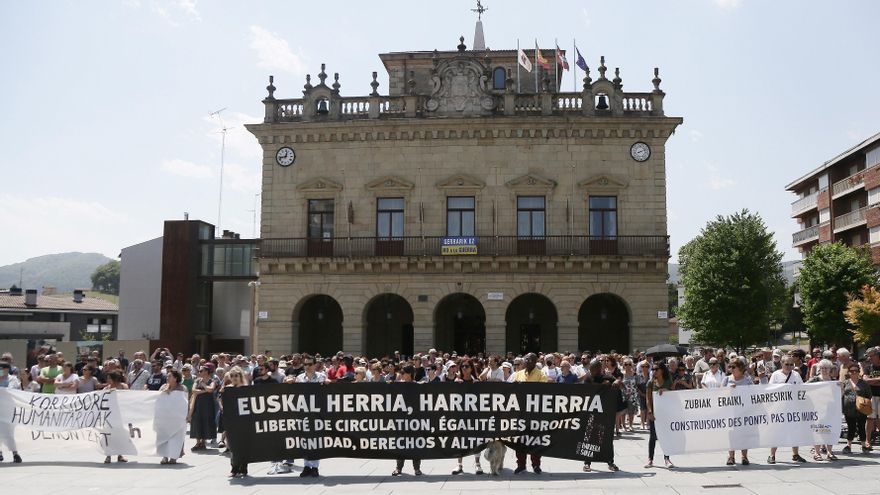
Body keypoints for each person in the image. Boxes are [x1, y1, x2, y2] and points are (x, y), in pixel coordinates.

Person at [582, 359, 622, 473]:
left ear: (599, 369)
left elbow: (621, 385)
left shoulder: (608, 378)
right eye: (590, 369)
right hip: (592, 414)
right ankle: (587, 463)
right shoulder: (588, 379)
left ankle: (610, 462)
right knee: (589, 438)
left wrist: (617, 382)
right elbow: (586, 392)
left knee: (607, 439)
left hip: (606, 414)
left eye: (593, 369)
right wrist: (602, 386)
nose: (591, 371)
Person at [767, 355, 806, 464]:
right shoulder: (775, 375)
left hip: (793, 408)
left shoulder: (796, 375)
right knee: (776, 432)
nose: (789, 366)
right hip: (779, 408)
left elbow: (801, 389)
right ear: (782, 364)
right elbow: (770, 390)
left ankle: (795, 454)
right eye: (786, 364)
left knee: (795, 431)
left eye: (791, 364)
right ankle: (772, 455)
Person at [296, 355, 328, 477]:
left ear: (315, 365)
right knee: (304, 439)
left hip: (317, 413)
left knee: (315, 439)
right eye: (305, 364)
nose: (307, 367)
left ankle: (314, 467)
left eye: (310, 364)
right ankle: (306, 466)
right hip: (303, 413)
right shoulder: (299, 378)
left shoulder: (321, 377)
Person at [452, 358, 483, 475]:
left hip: (474, 416)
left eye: (467, 366)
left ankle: (477, 464)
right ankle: (459, 464)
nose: (464, 368)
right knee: (460, 440)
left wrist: (479, 386)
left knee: (475, 440)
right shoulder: (457, 381)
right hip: (460, 416)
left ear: (471, 368)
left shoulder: (477, 381)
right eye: (462, 366)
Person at [392, 365, 422, 476]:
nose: (401, 374)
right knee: (401, 444)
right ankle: (398, 468)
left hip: (415, 421)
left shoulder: (417, 386)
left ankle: (417, 469)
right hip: (401, 420)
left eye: (403, 372)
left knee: (416, 444)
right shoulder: (399, 385)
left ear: (409, 374)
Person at [721, 359, 752, 465]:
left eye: (733, 367)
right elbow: (719, 394)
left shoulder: (747, 380)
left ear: (740, 368)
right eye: (730, 367)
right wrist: (728, 390)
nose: (731, 369)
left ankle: (744, 456)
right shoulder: (726, 379)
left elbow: (753, 394)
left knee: (744, 434)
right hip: (730, 412)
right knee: (731, 434)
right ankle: (731, 456)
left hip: (744, 411)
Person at [645, 361, 674, 469]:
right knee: (652, 436)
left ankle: (667, 459)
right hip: (654, 414)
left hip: (666, 413)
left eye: (656, 369)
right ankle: (650, 459)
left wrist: (666, 390)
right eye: (653, 369)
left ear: (662, 370)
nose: (654, 371)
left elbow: (673, 394)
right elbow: (648, 399)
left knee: (666, 436)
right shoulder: (650, 382)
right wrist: (649, 412)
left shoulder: (668, 381)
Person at [807, 359, 837, 460]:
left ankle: (829, 452)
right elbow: (804, 387)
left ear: (830, 369)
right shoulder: (815, 380)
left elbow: (837, 395)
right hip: (817, 409)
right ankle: (817, 453)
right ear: (819, 369)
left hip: (830, 410)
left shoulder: (833, 382)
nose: (824, 370)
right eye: (822, 368)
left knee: (830, 430)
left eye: (826, 368)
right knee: (818, 430)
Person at [157, 369, 188, 465]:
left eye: (169, 376)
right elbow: (157, 398)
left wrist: (188, 415)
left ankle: (174, 457)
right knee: (164, 436)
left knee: (176, 437)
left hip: (177, 418)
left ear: (175, 378)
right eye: (167, 376)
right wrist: (164, 392)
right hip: (165, 417)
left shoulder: (182, 388)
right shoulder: (163, 386)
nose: (167, 378)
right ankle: (164, 456)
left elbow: (185, 402)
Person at [842, 363, 873, 454]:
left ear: (859, 372)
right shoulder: (845, 383)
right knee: (851, 427)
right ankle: (848, 445)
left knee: (861, 427)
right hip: (848, 409)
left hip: (861, 409)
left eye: (856, 371)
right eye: (852, 371)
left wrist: (863, 401)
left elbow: (869, 395)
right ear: (849, 372)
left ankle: (864, 446)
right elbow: (840, 395)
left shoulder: (864, 383)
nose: (854, 373)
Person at [189, 366, 218, 451]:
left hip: (208, 405)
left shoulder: (212, 381)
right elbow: (193, 390)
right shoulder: (197, 380)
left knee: (206, 421)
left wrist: (203, 385)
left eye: (201, 371)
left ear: (206, 372)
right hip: (197, 404)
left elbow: (211, 389)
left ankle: (203, 442)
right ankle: (198, 442)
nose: (200, 372)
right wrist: (205, 390)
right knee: (196, 421)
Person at [104, 371, 129, 463]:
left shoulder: (123, 386)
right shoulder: (106, 388)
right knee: (109, 436)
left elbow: (127, 396)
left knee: (119, 435)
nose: (107, 380)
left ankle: (120, 455)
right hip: (109, 415)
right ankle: (108, 456)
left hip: (120, 415)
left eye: (109, 378)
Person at [0, 362, 22, 463]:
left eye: (1, 368)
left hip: (8, 409)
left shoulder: (12, 379)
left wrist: (2, 380)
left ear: (7, 369)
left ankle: (15, 453)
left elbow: (11, 390)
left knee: (8, 432)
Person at [862, 346, 880, 449]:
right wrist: (878, 380)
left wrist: (872, 380)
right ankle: (867, 441)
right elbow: (865, 380)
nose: (869, 358)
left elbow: (869, 380)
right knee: (870, 419)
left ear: (877, 355)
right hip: (871, 396)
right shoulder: (868, 367)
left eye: (871, 356)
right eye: (868, 356)